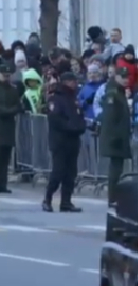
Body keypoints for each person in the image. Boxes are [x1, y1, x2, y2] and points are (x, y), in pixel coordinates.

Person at [43, 72, 85, 212]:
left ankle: (66, 201)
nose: (74, 84)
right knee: (58, 172)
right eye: (71, 81)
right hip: (60, 141)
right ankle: (47, 198)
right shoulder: (56, 98)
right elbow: (55, 119)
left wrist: (81, 126)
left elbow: (80, 115)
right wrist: (71, 127)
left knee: (71, 173)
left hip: (73, 141)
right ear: (65, 82)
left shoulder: (73, 99)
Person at [97, 66, 133, 207]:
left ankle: (115, 197)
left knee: (117, 169)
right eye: (122, 77)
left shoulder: (119, 92)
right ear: (116, 77)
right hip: (115, 138)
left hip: (119, 136)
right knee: (115, 171)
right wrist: (115, 137)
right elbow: (111, 117)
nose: (125, 80)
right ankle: (113, 198)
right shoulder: (113, 93)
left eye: (127, 77)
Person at [0, 62, 20, 194]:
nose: (7, 78)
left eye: (8, 75)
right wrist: (14, 110)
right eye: (4, 75)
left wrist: (15, 109)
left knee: (4, 160)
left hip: (7, 129)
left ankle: (2, 184)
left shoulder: (13, 90)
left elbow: (18, 105)